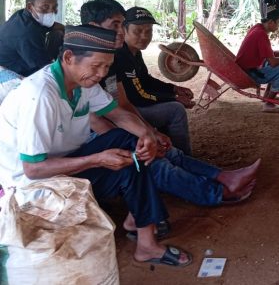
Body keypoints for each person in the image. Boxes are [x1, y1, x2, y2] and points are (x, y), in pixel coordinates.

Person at [0, 25, 192, 267]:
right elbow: (33, 170)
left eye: (107, 67)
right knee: (126, 158)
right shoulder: (39, 96)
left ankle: (145, 242)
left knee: (131, 144)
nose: (102, 74)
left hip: (64, 163)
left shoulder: (83, 83)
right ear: (69, 58)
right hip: (32, 187)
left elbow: (117, 114)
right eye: (96, 66)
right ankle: (143, 221)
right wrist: (97, 159)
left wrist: (148, 135)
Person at [80, 0, 259, 208]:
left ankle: (222, 177)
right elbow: (99, 120)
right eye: (115, 25)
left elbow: (120, 107)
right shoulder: (78, 73)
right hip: (83, 151)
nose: (120, 32)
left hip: (105, 133)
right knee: (155, 162)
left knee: (164, 149)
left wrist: (149, 133)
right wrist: (137, 138)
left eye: (122, 25)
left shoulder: (103, 63)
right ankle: (214, 192)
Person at [117, 6, 195, 154]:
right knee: (175, 110)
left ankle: (171, 153)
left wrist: (173, 88)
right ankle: (183, 157)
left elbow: (145, 80)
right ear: (124, 30)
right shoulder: (121, 56)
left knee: (170, 105)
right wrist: (173, 98)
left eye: (148, 31)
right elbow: (138, 96)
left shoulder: (134, 52)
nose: (144, 36)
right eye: (138, 31)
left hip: (134, 104)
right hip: (128, 111)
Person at [235, 7, 279, 113]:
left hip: (246, 69)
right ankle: (269, 103)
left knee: (270, 63)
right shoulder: (261, 34)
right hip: (249, 73)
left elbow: (269, 55)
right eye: (278, 23)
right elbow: (273, 62)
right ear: (271, 22)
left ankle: (268, 95)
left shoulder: (257, 28)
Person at [0, 0, 64, 77]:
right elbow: (45, 69)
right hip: (11, 72)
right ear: (30, 6)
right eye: (45, 7)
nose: (51, 12)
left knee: (58, 33)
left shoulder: (24, 14)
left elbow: (55, 26)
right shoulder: (26, 33)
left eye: (54, 7)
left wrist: (72, 31)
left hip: (24, 59)